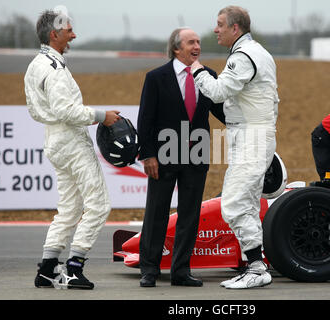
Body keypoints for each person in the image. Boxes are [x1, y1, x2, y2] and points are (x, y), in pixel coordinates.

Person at [24, 10, 120, 289]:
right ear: (54, 34)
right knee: (99, 204)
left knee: (69, 207)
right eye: (69, 30)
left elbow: (36, 110)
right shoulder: (53, 69)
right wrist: (102, 116)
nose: (74, 34)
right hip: (70, 140)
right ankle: (74, 268)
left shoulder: (35, 64)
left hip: (53, 140)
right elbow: (66, 110)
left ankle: (47, 268)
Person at [191, 6, 279, 289]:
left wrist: (196, 70)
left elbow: (217, 91)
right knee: (248, 204)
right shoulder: (255, 51)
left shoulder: (244, 56)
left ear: (235, 28)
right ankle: (256, 266)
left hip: (252, 138)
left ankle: (256, 267)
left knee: (233, 203)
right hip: (253, 136)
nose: (215, 29)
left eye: (219, 25)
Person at [137, 27, 225, 287]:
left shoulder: (208, 75)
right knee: (157, 212)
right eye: (191, 42)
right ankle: (149, 269)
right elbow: (145, 120)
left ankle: (181, 271)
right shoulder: (156, 78)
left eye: (198, 42)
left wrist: (251, 118)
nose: (197, 46)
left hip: (196, 156)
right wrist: (148, 155)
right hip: (163, 156)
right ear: (176, 48)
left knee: (190, 214)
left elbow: (222, 111)